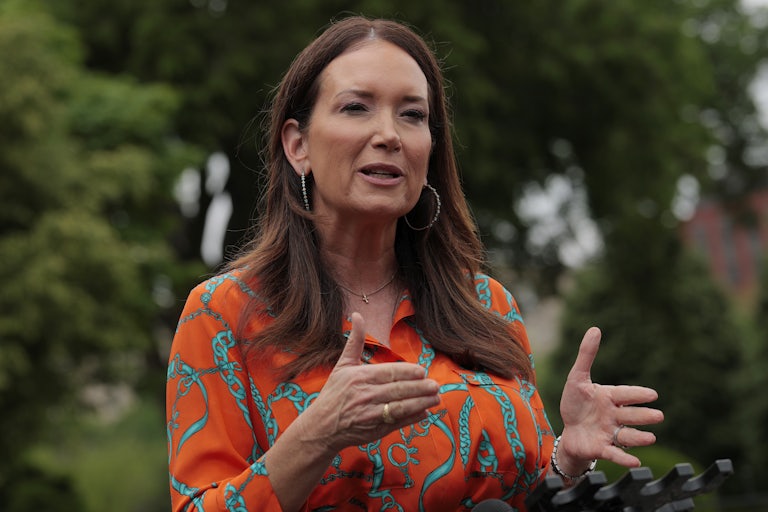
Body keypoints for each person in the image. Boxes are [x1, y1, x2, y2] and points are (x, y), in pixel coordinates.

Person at [166, 16, 663, 512]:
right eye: (356, 107)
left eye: (412, 115)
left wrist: (567, 461)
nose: (389, 135)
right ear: (298, 145)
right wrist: (317, 435)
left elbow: (526, 498)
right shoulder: (224, 314)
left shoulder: (486, 305)